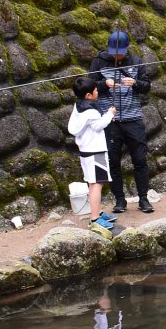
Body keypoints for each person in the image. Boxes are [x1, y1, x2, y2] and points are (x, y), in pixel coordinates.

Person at [88, 30, 154, 214]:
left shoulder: (137, 61)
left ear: (127, 49)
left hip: (133, 118)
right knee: (112, 161)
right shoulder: (98, 62)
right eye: (113, 52)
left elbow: (147, 86)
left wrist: (135, 83)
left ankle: (143, 199)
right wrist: (104, 84)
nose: (116, 56)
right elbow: (89, 87)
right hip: (109, 120)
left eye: (120, 53)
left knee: (140, 159)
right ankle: (119, 200)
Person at [67, 78, 118, 238]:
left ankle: (98, 212)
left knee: (92, 183)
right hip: (96, 151)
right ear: (88, 95)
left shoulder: (79, 105)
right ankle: (95, 219)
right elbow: (98, 125)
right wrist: (110, 114)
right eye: (96, 90)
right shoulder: (91, 111)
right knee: (97, 184)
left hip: (86, 151)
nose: (98, 92)